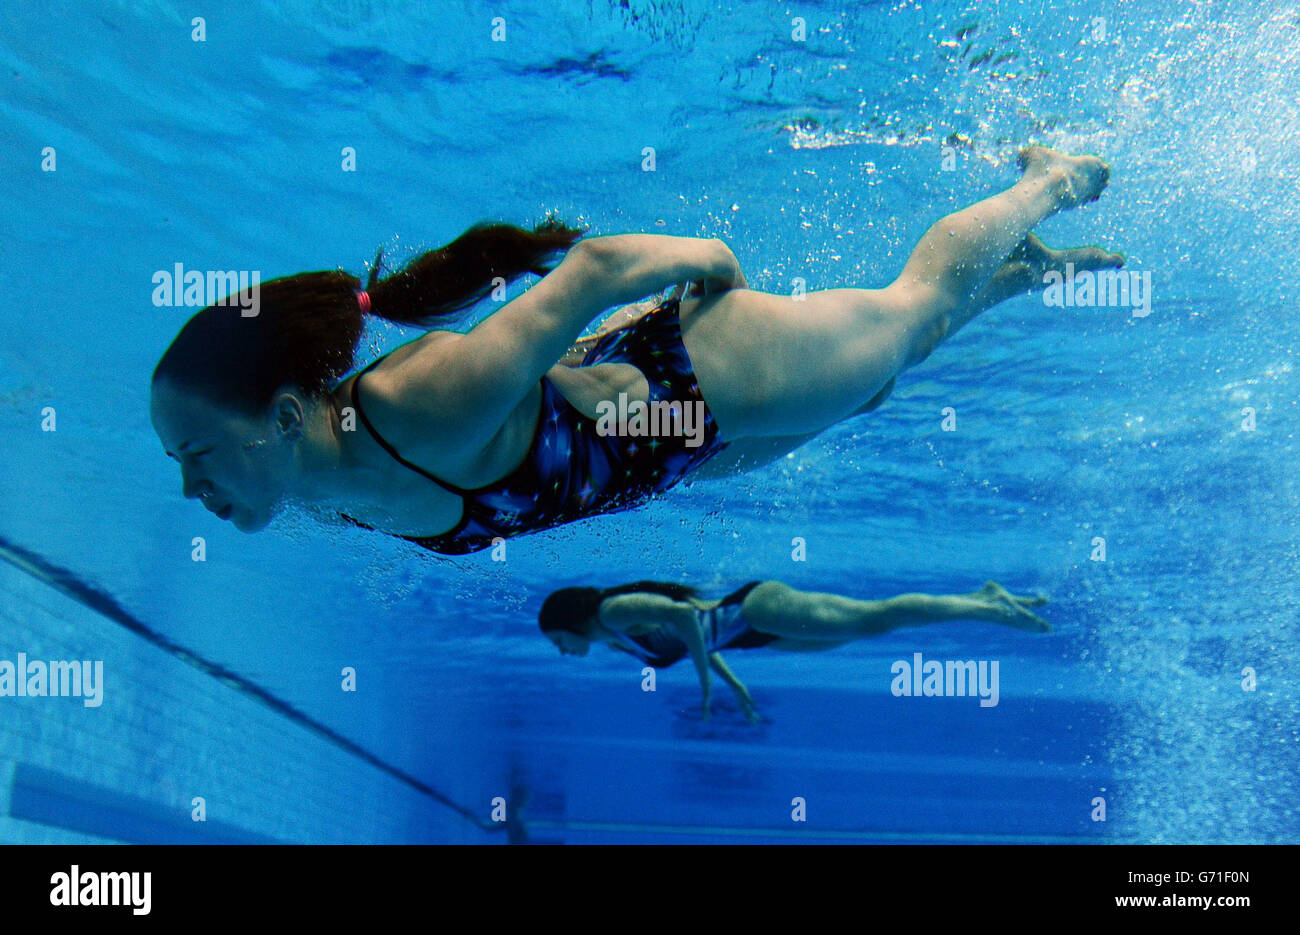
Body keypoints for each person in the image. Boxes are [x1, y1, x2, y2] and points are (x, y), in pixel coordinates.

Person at [151, 146, 1120, 554]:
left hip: (704, 373)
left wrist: (710, 258)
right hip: (675, 449)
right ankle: (1012, 271)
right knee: (871, 389)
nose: (192, 488)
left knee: (906, 317)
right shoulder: (317, 491)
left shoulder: (420, 400)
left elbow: (594, 268)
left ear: (281, 415)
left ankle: (1044, 179)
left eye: (196, 454)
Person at [539, 579, 1050, 722]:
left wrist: (705, 682)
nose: (562, 652)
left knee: (872, 618)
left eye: (557, 642)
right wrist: (735, 687)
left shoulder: (612, 611)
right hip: (757, 636)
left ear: (568, 623)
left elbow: (681, 617)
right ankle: (981, 600)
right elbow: (695, 640)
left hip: (756, 609)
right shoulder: (616, 642)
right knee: (869, 629)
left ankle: (987, 605)